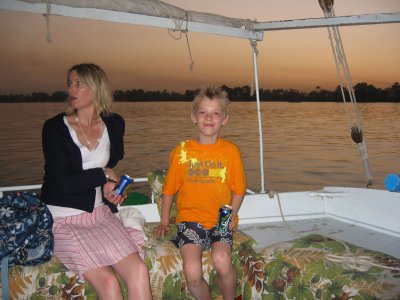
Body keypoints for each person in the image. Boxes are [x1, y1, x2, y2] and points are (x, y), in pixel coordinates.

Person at [41, 63, 153, 300]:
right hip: (63, 219)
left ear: (96, 88)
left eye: (78, 83)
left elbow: (109, 166)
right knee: (109, 282)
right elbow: (66, 183)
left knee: (139, 271)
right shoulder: (54, 129)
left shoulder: (113, 124)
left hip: (99, 214)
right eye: (69, 83)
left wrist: (110, 188)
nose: (71, 89)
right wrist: (104, 175)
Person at [154, 86, 246, 300]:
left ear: (224, 119)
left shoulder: (231, 152)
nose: (209, 118)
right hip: (189, 220)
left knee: (222, 260)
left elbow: (239, 190)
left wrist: (231, 215)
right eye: (203, 112)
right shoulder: (182, 151)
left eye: (215, 113)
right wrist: (165, 221)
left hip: (221, 219)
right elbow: (169, 190)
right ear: (194, 117)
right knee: (192, 273)